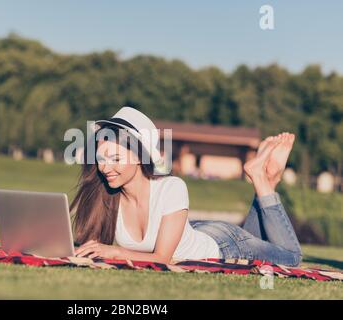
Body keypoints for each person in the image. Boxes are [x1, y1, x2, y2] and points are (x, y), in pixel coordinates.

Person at [71, 107, 302, 267]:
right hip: (192, 231)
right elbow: (93, 248)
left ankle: (262, 179)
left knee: (291, 257)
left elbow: (162, 258)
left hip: (224, 244)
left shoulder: (171, 187)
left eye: (115, 158)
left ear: (140, 156)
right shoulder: (108, 194)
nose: (105, 167)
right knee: (260, 240)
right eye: (101, 158)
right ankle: (263, 178)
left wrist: (115, 251)